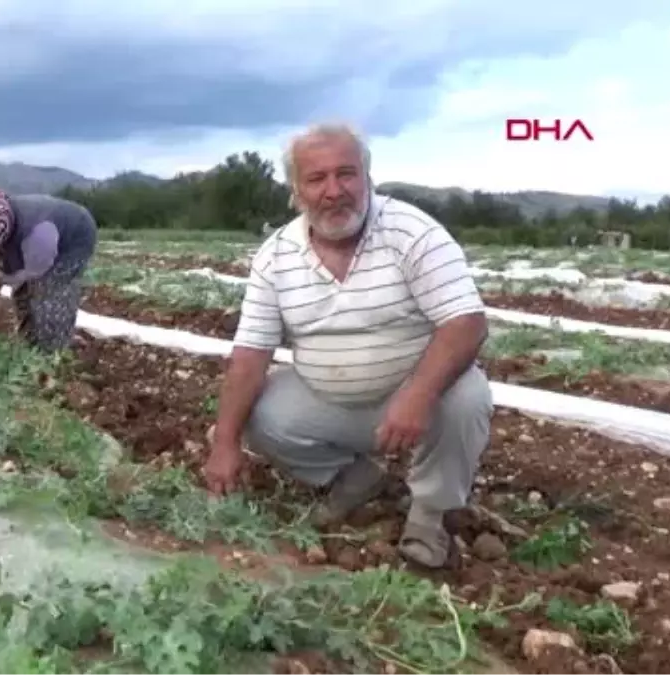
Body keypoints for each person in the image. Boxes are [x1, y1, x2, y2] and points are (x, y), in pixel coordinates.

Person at [202, 123, 493, 569]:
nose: (334, 191)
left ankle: (429, 516)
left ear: (367, 178)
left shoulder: (412, 232)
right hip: (333, 403)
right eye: (316, 179)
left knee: (468, 396)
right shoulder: (276, 256)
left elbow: (466, 323)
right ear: (296, 192)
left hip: (417, 402)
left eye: (346, 174)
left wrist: (417, 395)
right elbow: (249, 357)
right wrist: (224, 443)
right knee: (258, 412)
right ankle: (355, 478)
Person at [0, 187, 98, 355]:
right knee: (22, 294)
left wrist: (1, 279)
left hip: (75, 236)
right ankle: (30, 343)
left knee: (52, 292)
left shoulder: (39, 231)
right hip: (34, 243)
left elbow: (37, 269)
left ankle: (57, 349)